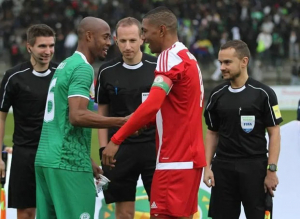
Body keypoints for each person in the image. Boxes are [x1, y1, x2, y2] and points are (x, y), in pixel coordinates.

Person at [102, 6, 206, 219]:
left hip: (174, 159)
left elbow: (152, 104)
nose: (144, 38)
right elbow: (174, 107)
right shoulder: (187, 56)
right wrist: (145, 123)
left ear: (161, 31)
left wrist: (116, 139)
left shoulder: (168, 57)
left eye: (145, 32)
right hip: (189, 158)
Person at [34, 17, 128, 219]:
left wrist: (87, 159)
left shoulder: (65, 65)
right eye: (104, 37)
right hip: (67, 162)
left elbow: (62, 119)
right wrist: (121, 121)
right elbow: (77, 116)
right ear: (88, 36)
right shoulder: (83, 69)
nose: (109, 43)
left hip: (46, 159)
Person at [203, 40, 282, 219]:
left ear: (244, 61)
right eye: (220, 62)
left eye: (227, 62)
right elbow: (212, 132)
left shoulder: (263, 93)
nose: (222, 67)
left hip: (255, 168)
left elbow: (274, 132)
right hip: (223, 168)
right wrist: (207, 167)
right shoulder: (216, 95)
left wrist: (271, 170)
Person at [95, 17, 157, 219]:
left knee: (160, 209)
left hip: (153, 147)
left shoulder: (158, 67)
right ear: (115, 40)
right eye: (123, 41)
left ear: (142, 39)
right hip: (119, 149)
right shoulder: (107, 71)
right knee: (124, 213)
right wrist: (104, 148)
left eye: (132, 40)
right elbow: (102, 111)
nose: (127, 46)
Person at [0, 24, 57, 219]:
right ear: (29, 47)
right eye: (42, 46)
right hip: (25, 154)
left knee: (54, 210)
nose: (47, 51)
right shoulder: (14, 77)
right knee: (26, 213)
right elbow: (1, 115)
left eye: (51, 46)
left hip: (55, 153)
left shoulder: (62, 74)